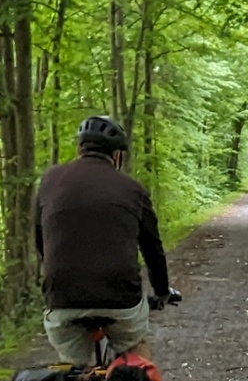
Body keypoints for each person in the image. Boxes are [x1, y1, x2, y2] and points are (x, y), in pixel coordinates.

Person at [34, 114, 178, 363]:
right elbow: (153, 249)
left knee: (72, 368)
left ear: (79, 148)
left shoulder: (50, 180)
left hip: (62, 297)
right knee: (135, 351)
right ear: (117, 156)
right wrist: (162, 291)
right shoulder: (133, 189)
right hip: (120, 298)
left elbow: (40, 240)